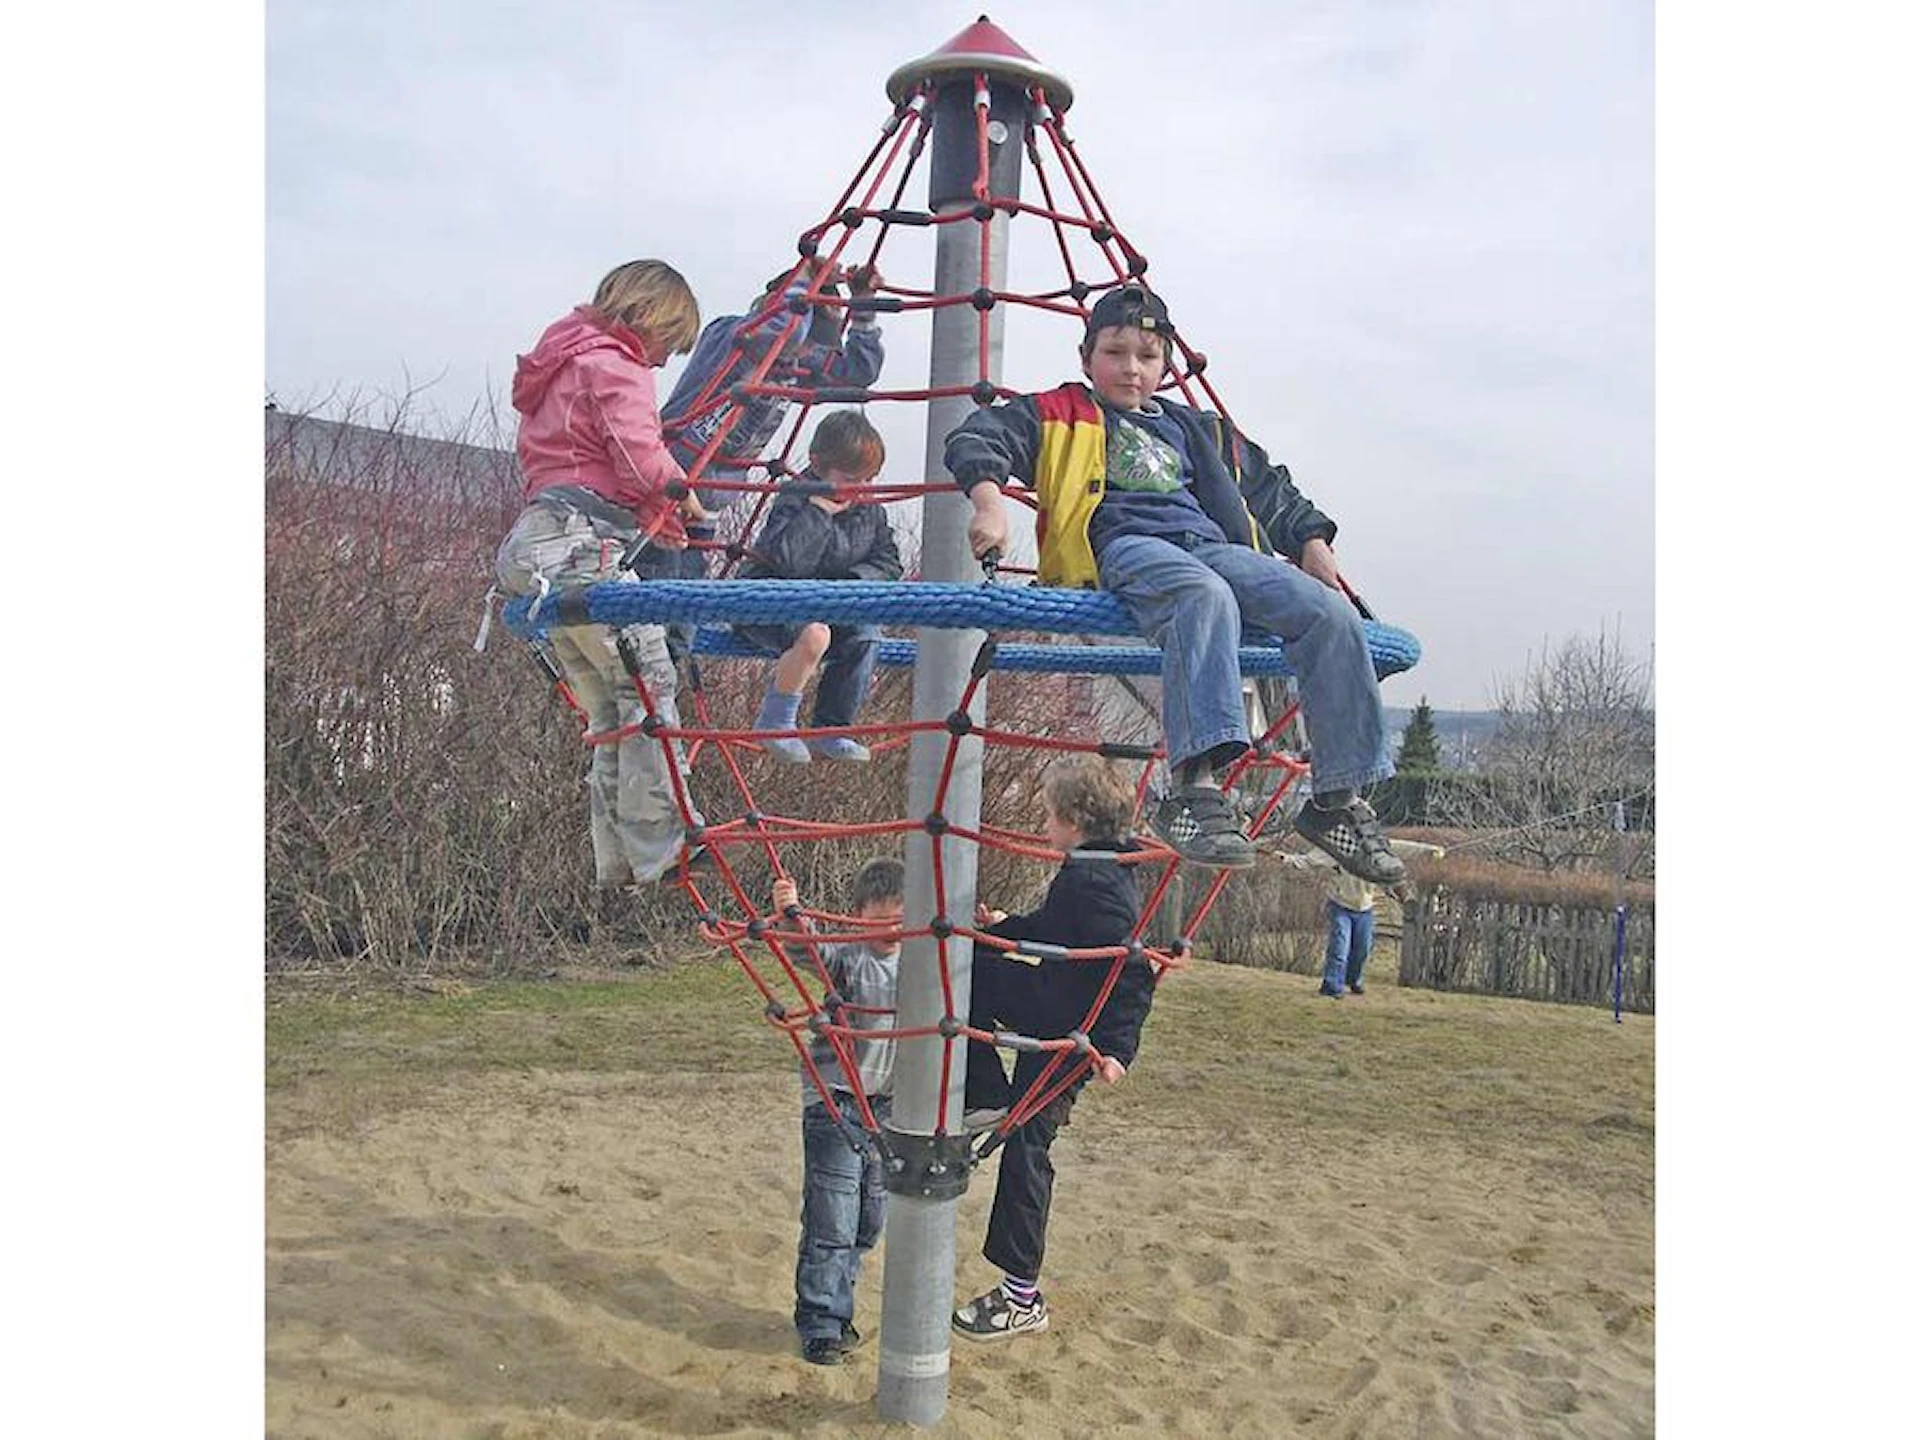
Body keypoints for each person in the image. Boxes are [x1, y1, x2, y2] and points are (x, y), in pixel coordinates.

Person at [944, 285, 1406, 885]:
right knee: (1203, 595)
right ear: (1086, 358)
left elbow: (1268, 485)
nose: (1131, 369)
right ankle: (1194, 784)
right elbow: (978, 437)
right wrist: (989, 503)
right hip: (1127, 545)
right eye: (1115, 353)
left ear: (1164, 365)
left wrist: (1311, 540)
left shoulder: (1196, 429)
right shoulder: (1061, 412)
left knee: (1329, 613)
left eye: (1147, 356)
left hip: (1211, 547)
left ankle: (1337, 799)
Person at [493, 259, 710, 887]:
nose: (663, 362)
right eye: (668, 344)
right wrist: (678, 493)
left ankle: (619, 855)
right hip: (579, 548)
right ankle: (662, 844)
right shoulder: (615, 363)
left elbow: (580, 458)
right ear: (649, 317)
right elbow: (638, 451)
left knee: (612, 709)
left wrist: (644, 513)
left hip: (542, 543)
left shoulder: (561, 359)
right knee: (649, 684)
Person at [951, 759, 1155, 1343]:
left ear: (1074, 820)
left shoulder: (1097, 881)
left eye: (1048, 816)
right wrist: (1001, 928)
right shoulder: (1097, 866)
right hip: (1056, 1008)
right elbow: (1056, 929)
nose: (1043, 826)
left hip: (1074, 1036)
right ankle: (987, 1095)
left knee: (1027, 1144)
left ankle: (1021, 1299)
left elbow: (1131, 968)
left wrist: (1117, 1049)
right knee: (970, 964)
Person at [658, 261, 886, 664]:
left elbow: (857, 373)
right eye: (808, 340)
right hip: (665, 490)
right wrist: (806, 278)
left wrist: (863, 308)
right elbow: (778, 333)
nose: (807, 354)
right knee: (649, 611)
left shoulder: (796, 364)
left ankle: (665, 684)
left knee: (680, 624)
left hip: (704, 509)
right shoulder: (734, 335)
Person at [771, 858, 907, 1366]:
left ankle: (836, 1304)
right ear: (858, 916)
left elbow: (967, 964)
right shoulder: (850, 958)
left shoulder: (922, 962)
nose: (891, 930)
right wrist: (791, 913)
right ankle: (822, 1322)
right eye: (880, 919)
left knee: (870, 1218)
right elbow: (809, 951)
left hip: (888, 1109)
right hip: (836, 1099)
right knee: (833, 1215)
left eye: (901, 919)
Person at [733, 410, 901, 763]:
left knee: (866, 635)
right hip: (772, 599)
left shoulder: (870, 510)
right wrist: (818, 512)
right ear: (817, 465)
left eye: (868, 479)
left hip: (833, 604)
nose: (859, 488)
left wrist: (848, 585)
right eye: (850, 478)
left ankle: (832, 728)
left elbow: (889, 564)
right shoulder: (795, 496)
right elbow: (788, 562)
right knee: (815, 634)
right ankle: (776, 721)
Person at [1284, 838, 1445, 997]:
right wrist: (1286, 858)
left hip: (1364, 908)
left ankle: (1353, 980)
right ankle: (1331, 986)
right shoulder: (1338, 848)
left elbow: (1405, 848)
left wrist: (1429, 849)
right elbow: (1309, 860)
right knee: (1339, 947)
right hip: (1340, 906)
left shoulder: (1376, 846)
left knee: (1362, 950)